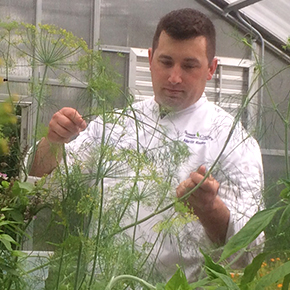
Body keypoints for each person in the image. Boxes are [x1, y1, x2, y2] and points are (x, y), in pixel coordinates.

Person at [28, 8, 264, 283]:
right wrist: (54, 142)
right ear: (150, 60)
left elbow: (248, 250)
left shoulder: (232, 139)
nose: (174, 77)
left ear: (211, 68)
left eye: (189, 65)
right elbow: (47, 189)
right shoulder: (115, 125)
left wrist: (209, 207)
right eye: (166, 62)